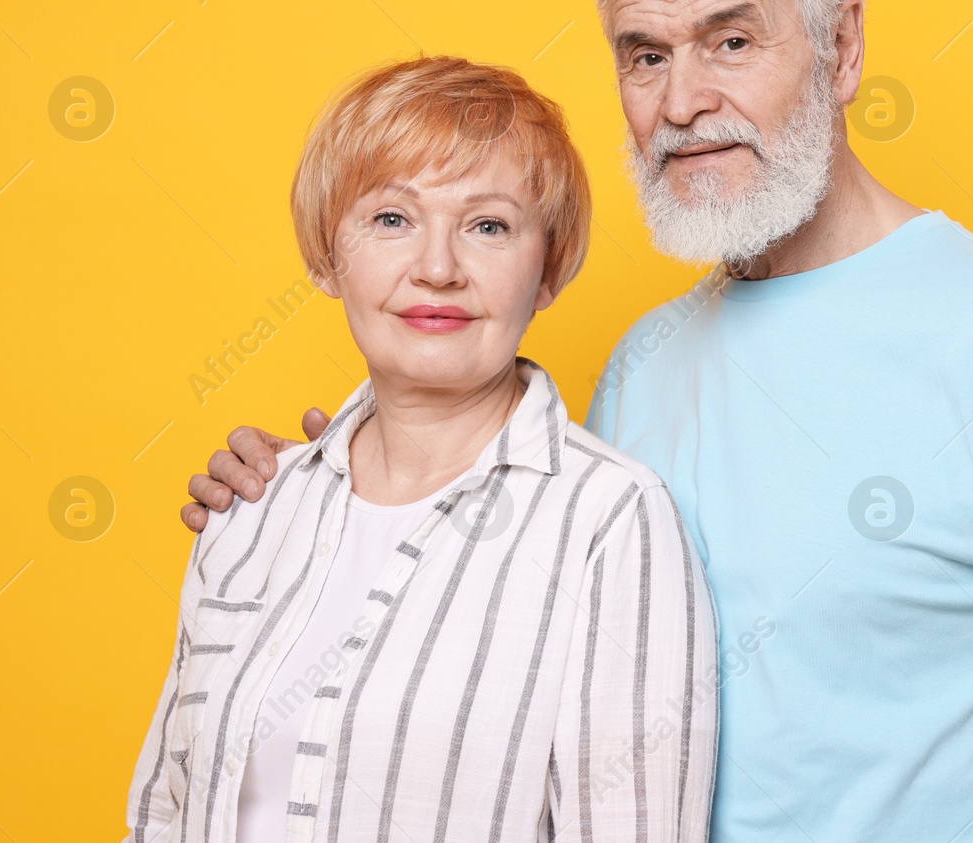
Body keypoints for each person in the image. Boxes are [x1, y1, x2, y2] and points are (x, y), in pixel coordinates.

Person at [184, 0, 973, 843]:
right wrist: (320, 495)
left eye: (731, 40)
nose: (684, 102)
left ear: (842, 46)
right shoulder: (641, 361)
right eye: (645, 54)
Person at [128, 56, 717, 843]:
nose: (437, 268)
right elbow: (162, 816)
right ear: (326, 255)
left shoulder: (609, 522)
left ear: (546, 270)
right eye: (392, 219)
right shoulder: (248, 510)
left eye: (488, 226)